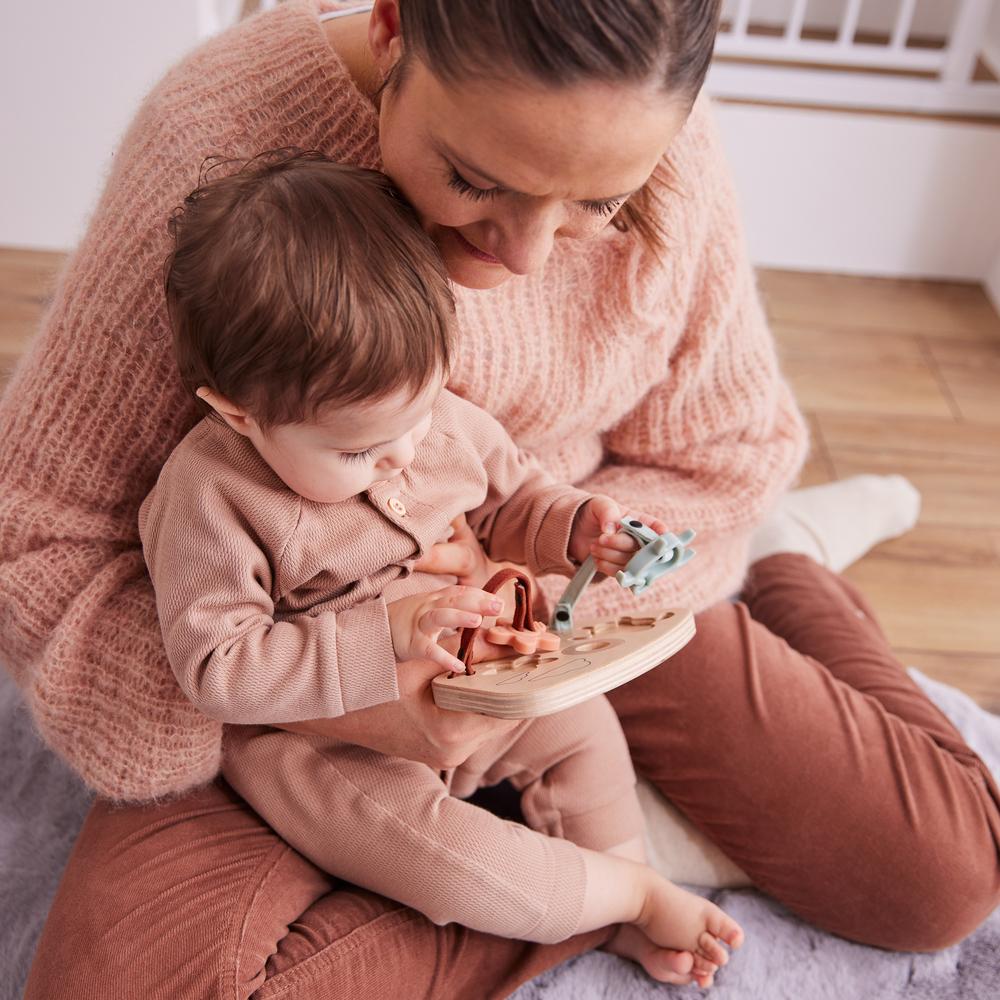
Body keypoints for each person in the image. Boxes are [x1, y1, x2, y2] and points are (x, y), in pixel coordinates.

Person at [1, 2, 995, 997]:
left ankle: (788, 565)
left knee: (944, 877)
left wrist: (528, 620)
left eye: (596, 204)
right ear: (391, 24)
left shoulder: (653, 134)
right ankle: (589, 883)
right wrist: (344, 699)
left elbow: (720, 455)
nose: (523, 256)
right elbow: (37, 544)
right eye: (475, 179)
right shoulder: (211, 142)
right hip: (296, 671)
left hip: (552, 601)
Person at [141, 150, 743, 985]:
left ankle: (625, 876)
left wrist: (576, 527)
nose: (400, 459)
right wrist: (380, 636)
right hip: (334, 744)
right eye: (358, 450)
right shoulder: (210, 496)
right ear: (239, 414)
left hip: (488, 676)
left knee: (589, 731)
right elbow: (216, 665)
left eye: (416, 420)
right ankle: (620, 896)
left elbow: (512, 499)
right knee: (451, 869)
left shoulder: (438, 421)